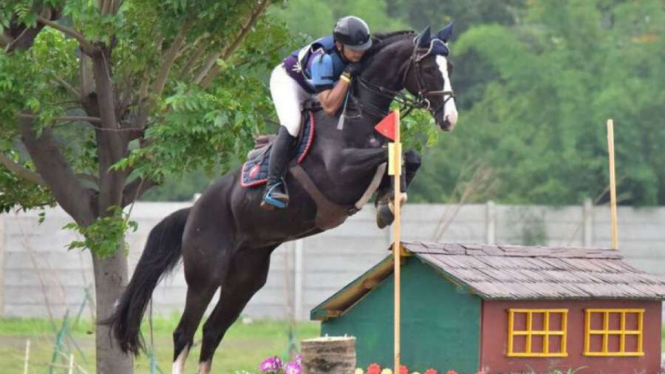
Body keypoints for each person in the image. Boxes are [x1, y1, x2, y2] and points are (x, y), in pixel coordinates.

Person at [261, 15, 372, 210]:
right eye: (354, 50)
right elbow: (329, 106)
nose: (359, 54)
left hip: (319, 87)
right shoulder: (323, 60)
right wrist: (346, 76)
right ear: (339, 45)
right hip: (290, 83)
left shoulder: (357, 49)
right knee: (293, 123)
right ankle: (273, 184)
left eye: (362, 49)